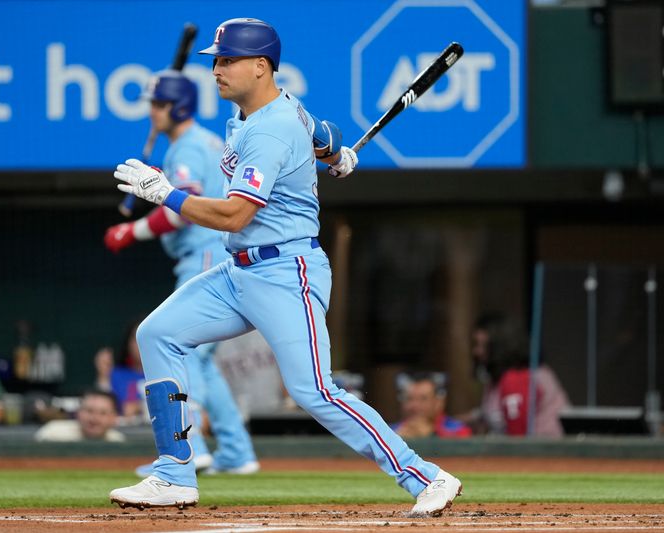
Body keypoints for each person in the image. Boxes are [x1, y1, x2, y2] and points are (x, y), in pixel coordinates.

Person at [107, 18, 461, 517]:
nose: (217, 69)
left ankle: (427, 475)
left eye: (227, 60)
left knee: (314, 390)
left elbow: (234, 213)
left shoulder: (268, 130)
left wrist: (166, 195)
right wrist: (335, 153)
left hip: (285, 272)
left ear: (260, 65)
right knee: (157, 333)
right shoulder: (270, 109)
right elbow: (321, 130)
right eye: (216, 60)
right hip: (239, 271)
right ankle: (173, 474)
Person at [103, 69, 258, 475]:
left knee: (180, 346)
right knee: (203, 360)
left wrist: (132, 230)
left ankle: (191, 446)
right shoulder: (201, 141)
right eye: (152, 104)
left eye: (160, 104)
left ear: (180, 106)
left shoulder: (187, 147)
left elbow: (184, 205)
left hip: (204, 253)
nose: (153, 112)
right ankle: (237, 452)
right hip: (215, 252)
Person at [470, 312, 570, 437]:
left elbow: (517, 437)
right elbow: (487, 417)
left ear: (501, 346)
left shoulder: (518, 378)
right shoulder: (499, 377)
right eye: (476, 345)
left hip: (543, 453)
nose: (477, 352)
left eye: (483, 346)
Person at [392, 372, 472, 439]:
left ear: (438, 403)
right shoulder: (390, 431)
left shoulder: (458, 430)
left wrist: (432, 435)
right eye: (409, 399)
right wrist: (395, 439)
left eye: (423, 399)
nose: (414, 406)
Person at [94, 320, 146, 420]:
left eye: (145, 339)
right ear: (128, 343)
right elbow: (101, 407)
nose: (141, 344)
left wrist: (140, 406)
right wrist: (103, 376)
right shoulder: (115, 374)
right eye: (136, 339)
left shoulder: (166, 374)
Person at [35, 390, 125, 442]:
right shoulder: (52, 433)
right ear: (78, 413)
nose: (94, 418)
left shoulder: (118, 441)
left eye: (103, 413)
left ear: (114, 418)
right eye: (89, 411)